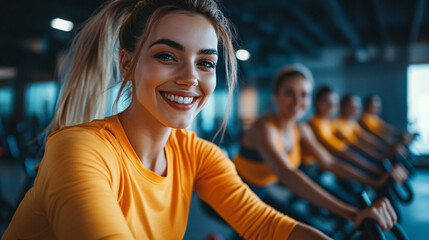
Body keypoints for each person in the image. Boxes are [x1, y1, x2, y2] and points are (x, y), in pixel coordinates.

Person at [2, 1, 332, 239]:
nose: (190, 78)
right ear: (127, 64)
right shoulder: (79, 151)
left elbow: (266, 225)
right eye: (167, 56)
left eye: (205, 63)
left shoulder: (199, 155)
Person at [233, 65, 398, 235]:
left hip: (263, 190)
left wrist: (376, 180)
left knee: (310, 227)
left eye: (304, 95)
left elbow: (330, 162)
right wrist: (353, 214)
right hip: (231, 195)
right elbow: (286, 173)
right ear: (276, 97)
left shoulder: (301, 130)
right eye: (289, 93)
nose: (297, 102)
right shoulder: (264, 129)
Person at [308, 87, 384, 176]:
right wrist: (374, 166)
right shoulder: (314, 124)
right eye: (326, 102)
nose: (331, 106)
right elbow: (339, 150)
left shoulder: (330, 123)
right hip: (315, 168)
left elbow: (361, 141)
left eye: (334, 103)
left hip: (330, 164)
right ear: (316, 102)